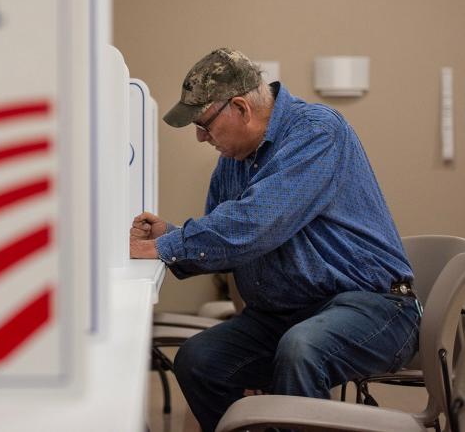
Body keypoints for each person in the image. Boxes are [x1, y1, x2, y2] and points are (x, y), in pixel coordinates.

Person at [130, 48, 420, 432]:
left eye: (204, 124)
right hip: (284, 316)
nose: (201, 137)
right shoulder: (230, 164)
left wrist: (165, 247)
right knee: (199, 360)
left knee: (303, 348)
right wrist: (169, 234)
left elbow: (257, 222)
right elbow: (227, 239)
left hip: (374, 308)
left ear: (241, 109)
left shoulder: (317, 130)